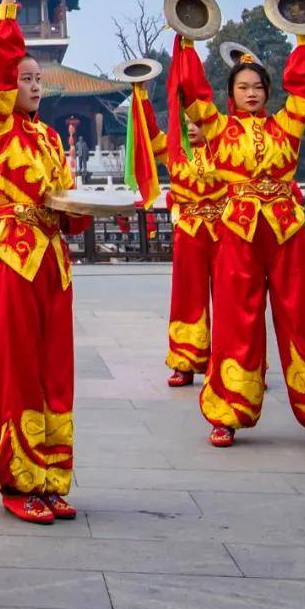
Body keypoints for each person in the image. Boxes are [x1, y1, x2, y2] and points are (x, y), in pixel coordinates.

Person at [0, 0, 82, 524]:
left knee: (53, 366)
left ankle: (51, 473)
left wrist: (82, 210)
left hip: (53, 261)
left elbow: (69, 202)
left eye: (37, 80)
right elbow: (2, 63)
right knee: (14, 365)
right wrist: (8, 0)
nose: (29, 86)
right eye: (22, 78)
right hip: (14, 255)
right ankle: (16, 479)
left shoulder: (52, 139)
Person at [170, 39, 305, 447]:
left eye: (258, 87)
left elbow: (302, 88)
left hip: (286, 235)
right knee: (236, 321)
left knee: (300, 318)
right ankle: (228, 412)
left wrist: (302, 39)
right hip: (239, 235)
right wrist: (187, 44)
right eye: (243, 87)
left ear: (268, 92)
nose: (251, 93)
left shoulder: (288, 124)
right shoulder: (218, 128)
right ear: (230, 94)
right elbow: (193, 94)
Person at [134, 88, 223, 386]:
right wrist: (142, 94)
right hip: (189, 231)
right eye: (187, 124)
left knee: (230, 300)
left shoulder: (227, 149)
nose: (194, 128)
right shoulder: (174, 153)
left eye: (198, 122)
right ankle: (185, 360)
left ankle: (240, 362)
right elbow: (149, 132)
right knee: (187, 297)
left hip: (226, 231)